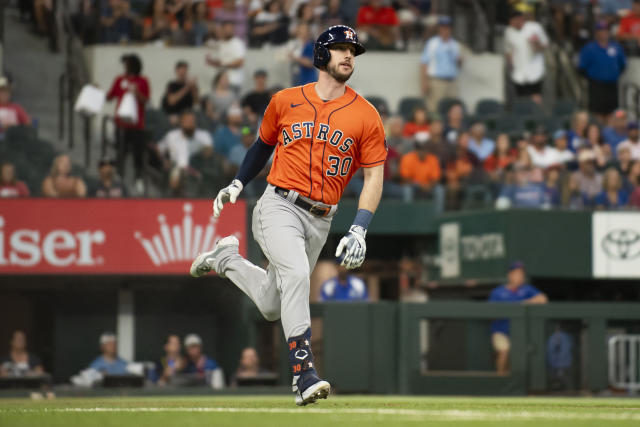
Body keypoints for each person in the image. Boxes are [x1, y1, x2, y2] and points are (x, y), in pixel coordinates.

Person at [190, 25, 386, 406]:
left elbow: (374, 174)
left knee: (270, 306)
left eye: (353, 50)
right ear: (320, 55)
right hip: (278, 204)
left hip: (322, 218)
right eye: (340, 48)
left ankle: (225, 258)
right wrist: (237, 182)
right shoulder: (285, 100)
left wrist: (360, 228)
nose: (349, 55)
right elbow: (261, 146)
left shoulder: (366, 114)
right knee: (297, 275)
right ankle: (303, 373)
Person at [489, 261, 548, 375]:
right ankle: (501, 379)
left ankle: (514, 382)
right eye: (516, 273)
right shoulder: (498, 292)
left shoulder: (527, 290)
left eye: (521, 274)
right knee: (504, 351)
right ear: (510, 275)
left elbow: (543, 299)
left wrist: (525, 302)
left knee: (521, 355)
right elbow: (491, 312)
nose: (519, 276)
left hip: (521, 333)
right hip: (501, 331)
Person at [106, 54, 150, 193]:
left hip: (137, 126)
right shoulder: (119, 80)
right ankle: (119, 176)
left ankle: (138, 178)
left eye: (127, 64)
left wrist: (137, 93)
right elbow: (109, 96)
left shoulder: (142, 81)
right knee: (120, 152)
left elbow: (145, 100)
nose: (125, 67)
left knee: (138, 153)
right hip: (121, 124)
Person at [578, 22, 626, 123]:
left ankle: (609, 133)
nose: (604, 34)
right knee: (597, 112)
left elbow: (622, 65)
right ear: (596, 34)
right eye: (601, 31)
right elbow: (581, 68)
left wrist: (614, 74)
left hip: (612, 84)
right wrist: (593, 78)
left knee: (612, 111)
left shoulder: (616, 47)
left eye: (605, 31)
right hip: (596, 85)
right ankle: (598, 132)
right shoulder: (589, 48)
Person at [156, 110, 214, 195]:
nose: (189, 124)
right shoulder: (171, 136)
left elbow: (209, 150)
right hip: (175, 167)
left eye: (191, 121)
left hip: (196, 168)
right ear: (181, 122)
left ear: (195, 122)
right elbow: (159, 148)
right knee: (176, 176)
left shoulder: (203, 135)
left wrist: (202, 151)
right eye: (186, 121)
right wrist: (164, 160)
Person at [504, 10, 549, 105]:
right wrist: (510, 64)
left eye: (515, 21)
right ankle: (523, 117)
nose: (513, 24)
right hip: (519, 71)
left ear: (521, 19)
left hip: (534, 69)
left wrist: (536, 43)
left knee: (535, 97)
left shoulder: (535, 28)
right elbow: (508, 50)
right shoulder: (509, 31)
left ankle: (536, 116)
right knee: (521, 98)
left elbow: (544, 46)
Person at [420, 16, 462, 114]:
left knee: (452, 109)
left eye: (447, 27)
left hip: (451, 82)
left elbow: (458, 65)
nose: (445, 30)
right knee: (434, 109)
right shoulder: (432, 43)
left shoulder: (455, 45)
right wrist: (424, 82)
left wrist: (460, 61)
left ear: (450, 29)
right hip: (436, 81)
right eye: (443, 27)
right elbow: (424, 63)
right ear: (439, 29)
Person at [206, 21, 246, 94]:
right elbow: (222, 61)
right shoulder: (221, 43)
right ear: (222, 30)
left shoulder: (238, 43)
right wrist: (212, 62)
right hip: (220, 81)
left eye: (230, 29)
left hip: (233, 81)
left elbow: (239, 62)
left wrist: (222, 64)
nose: (229, 31)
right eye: (226, 29)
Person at [399, 132, 442, 198]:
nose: (422, 151)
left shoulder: (433, 159)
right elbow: (406, 179)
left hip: (428, 187)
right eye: (419, 148)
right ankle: (408, 208)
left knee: (439, 189)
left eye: (424, 149)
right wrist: (420, 186)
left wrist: (429, 185)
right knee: (407, 189)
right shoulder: (407, 158)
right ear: (416, 149)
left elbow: (435, 178)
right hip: (413, 186)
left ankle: (438, 209)